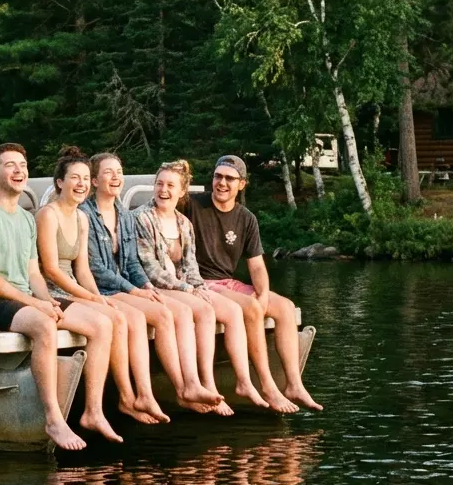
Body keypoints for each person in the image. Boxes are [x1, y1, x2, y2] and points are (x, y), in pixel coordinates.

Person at [0, 143, 119, 449]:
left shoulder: (24, 218)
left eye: (22, 164)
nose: (19, 171)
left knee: (102, 324)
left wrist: (48, 301)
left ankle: (92, 412)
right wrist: (37, 305)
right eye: (9, 165)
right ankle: (53, 420)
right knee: (44, 325)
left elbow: (34, 274)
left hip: (22, 299)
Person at [82, 152, 225, 412]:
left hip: (126, 286)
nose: (116, 177)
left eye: (119, 172)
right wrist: (138, 288)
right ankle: (162, 391)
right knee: (160, 313)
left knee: (173, 311)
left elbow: (133, 264)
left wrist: (145, 287)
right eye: (108, 172)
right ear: (93, 181)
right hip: (101, 288)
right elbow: (96, 269)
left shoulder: (123, 215)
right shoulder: (87, 215)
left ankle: (187, 386)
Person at [37, 148, 168, 426]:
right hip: (50, 291)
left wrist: (97, 298)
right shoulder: (48, 215)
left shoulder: (81, 218)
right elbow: (50, 269)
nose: (82, 184)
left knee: (118, 316)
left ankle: (128, 398)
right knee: (107, 322)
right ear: (60, 182)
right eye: (76, 178)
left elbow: (82, 270)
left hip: (73, 288)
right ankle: (94, 410)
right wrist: (89, 296)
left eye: (85, 177)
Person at [134, 160, 271, 414]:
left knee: (224, 309)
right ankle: (191, 384)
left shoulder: (184, 223)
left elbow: (191, 265)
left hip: (182, 286)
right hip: (156, 286)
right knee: (198, 310)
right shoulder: (142, 218)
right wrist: (189, 289)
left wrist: (199, 287)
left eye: (171, 185)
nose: (164, 190)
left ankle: (217, 383)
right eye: (160, 184)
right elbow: (151, 270)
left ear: (182, 192)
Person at [189, 155, 322, 411]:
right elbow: (160, 204)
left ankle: (294, 384)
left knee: (285, 307)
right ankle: (266, 386)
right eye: (218, 176)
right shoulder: (193, 204)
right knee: (249, 308)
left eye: (230, 178)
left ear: (242, 184)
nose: (222, 183)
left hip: (228, 282)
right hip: (201, 282)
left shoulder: (246, 218)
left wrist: (261, 294)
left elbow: (257, 265)